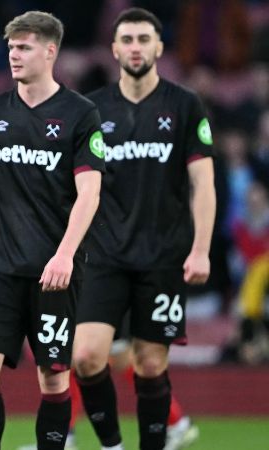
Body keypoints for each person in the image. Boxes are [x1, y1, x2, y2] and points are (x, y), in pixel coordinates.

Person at [0, 11, 105, 450]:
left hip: (54, 271)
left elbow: (90, 194)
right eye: (11, 47)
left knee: (53, 375)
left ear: (50, 51)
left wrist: (64, 255)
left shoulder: (81, 114)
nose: (14, 55)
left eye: (24, 47)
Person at [72, 7, 215, 450]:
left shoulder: (185, 104)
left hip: (163, 256)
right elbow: (78, 187)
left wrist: (201, 249)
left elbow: (203, 183)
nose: (135, 47)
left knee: (151, 364)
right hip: (106, 256)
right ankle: (113, 445)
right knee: (85, 356)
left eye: (143, 39)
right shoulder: (93, 109)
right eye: (127, 40)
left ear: (158, 47)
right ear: (115, 49)